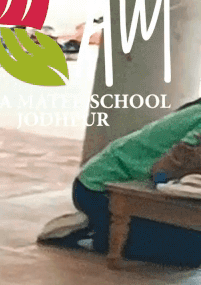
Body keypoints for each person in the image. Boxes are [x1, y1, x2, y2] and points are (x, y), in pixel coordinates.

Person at [42, 97, 201, 265]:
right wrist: (161, 184)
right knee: (191, 251)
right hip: (98, 190)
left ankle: (101, 226)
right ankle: (93, 229)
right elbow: (162, 171)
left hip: (122, 186)